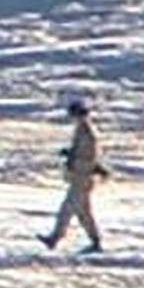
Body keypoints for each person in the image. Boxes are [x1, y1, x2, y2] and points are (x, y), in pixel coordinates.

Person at [39, 99, 106, 253]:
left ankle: (55, 238)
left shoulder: (88, 134)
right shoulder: (82, 131)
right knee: (83, 213)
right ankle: (95, 241)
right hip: (80, 177)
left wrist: (73, 159)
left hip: (83, 178)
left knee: (67, 209)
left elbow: (89, 157)